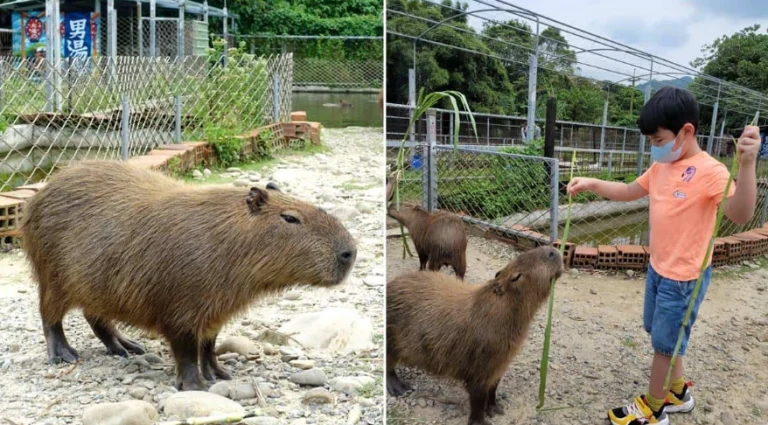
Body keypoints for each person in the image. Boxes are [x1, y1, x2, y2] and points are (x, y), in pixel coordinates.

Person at [567, 86, 760, 425]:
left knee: (663, 345)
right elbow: (629, 192)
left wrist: (746, 165)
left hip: (684, 277)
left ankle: (654, 407)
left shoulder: (711, 171)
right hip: (659, 268)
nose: (654, 148)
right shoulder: (660, 169)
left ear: (686, 132)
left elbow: (741, 215)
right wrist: (592, 183)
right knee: (662, 336)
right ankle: (679, 392)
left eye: (658, 140)